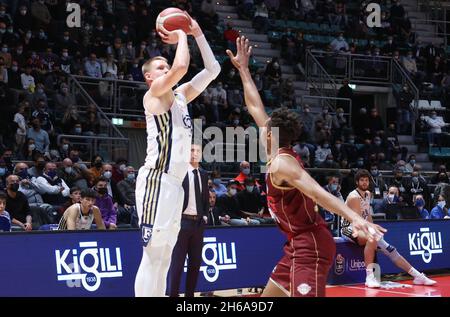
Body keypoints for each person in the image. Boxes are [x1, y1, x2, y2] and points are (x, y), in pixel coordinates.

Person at [226, 36, 385, 297]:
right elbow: (254, 105)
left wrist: (357, 218)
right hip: (296, 245)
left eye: (265, 129)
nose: (261, 129)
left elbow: (318, 193)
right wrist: (243, 69)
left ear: (271, 135)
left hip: (310, 246)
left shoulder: (283, 164)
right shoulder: (275, 149)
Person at [134, 14, 220, 297]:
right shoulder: (154, 94)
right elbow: (181, 66)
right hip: (156, 181)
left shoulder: (180, 96)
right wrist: (182, 34)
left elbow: (213, 69)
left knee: (165, 257)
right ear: (149, 77)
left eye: (166, 64)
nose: (166, 67)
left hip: (175, 184)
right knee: (152, 254)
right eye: (161, 66)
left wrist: (197, 34)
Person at [343, 169, 436, 288]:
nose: (365, 182)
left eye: (366, 180)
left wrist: (373, 228)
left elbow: (368, 216)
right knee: (372, 238)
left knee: (391, 249)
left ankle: (417, 275)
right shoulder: (353, 196)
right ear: (357, 182)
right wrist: (372, 231)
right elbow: (357, 221)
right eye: (362, 180)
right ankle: (369, 277)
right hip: (349, 227)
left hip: (365, 228)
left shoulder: (367, 194)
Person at [168, 143, 209, 297]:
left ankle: (190, 296)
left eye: (198, 150)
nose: (195, 153)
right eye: (192, 150)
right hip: (182, 222)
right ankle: (173, 294)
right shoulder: (179, 173)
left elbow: (205, 197)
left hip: (198, 224)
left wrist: (204, 215)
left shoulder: (203, 174)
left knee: (195, 264)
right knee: (177, 264)